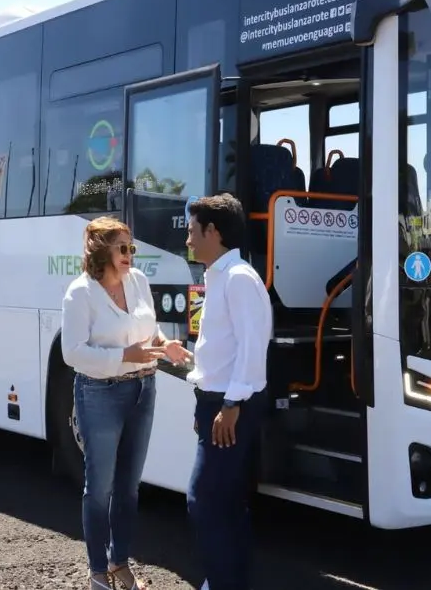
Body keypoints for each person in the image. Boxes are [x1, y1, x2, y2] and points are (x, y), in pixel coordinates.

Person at [60, 216, 189, 590]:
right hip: (100, 393)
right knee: (99, 487)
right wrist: (124, 356)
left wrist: (165, 344)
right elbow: (72, 353)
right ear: (101, 250)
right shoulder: (80, 293)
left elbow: (150, 329)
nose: (130, 254)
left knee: (129, 487)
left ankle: (120, 562)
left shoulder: (139, 282)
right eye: (122, 247)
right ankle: (98, 570)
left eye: (131, 247)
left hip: (144, 389)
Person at [182, 193, 272, 590]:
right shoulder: (217, 276)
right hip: (216, 403)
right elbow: (223, 349)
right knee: (227, 502)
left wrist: (231, 404)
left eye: (191, 231)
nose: (187, 240)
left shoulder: (237, 278)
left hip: (231, 406)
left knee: (203, 500)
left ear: (212, 232)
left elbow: (254, 347)